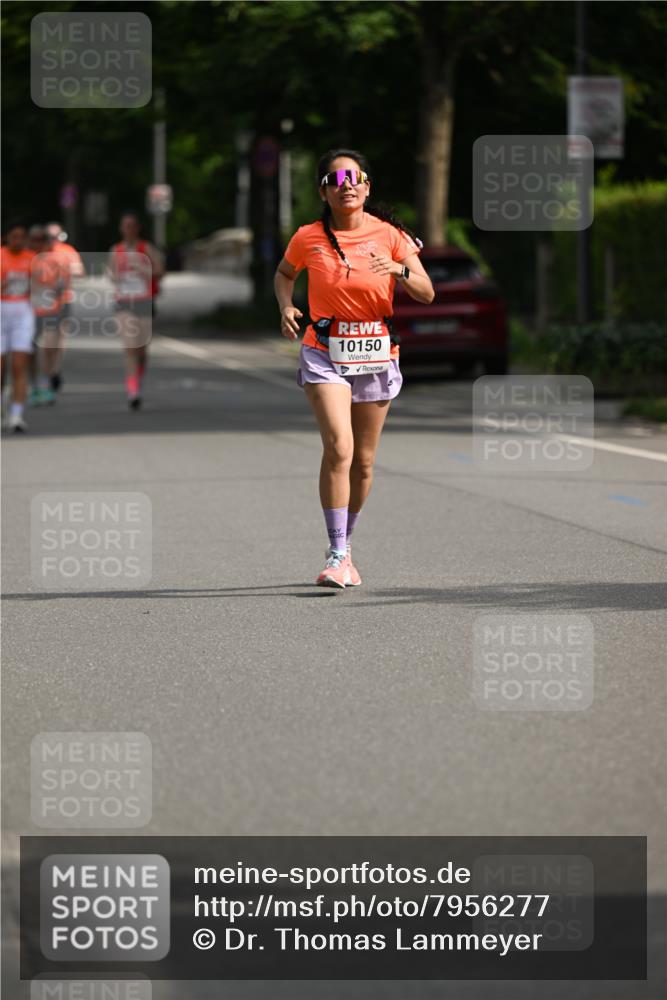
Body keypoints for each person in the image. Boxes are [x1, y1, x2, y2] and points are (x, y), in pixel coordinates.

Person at [274, 149, 434, 587]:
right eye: (335, 179)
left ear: (366, 186)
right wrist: (286, 305)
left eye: (354, 177)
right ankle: (336, 553)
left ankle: (347, 545)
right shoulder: (307, 237)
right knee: (339, 447)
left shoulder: (391, 235)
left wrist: (398, 269)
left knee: (363, 462)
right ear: (323, 191)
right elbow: (285, 274)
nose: (346, 185)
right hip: (323, 350)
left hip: (376, 353)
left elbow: (426, 292)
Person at [108, 213, 164, 410]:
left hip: (144, 302)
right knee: (130, 347)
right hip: (124, 302)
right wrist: (116, 275)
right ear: (121, 228)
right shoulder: (116, 250)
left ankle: (138, 378)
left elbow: (160, 272)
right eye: (125, 225)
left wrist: (143, 269)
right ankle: (133, 390)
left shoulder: (146, 248)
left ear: (138, 228)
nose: (128, 229)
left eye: (132, 225)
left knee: (142, 349)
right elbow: (111, 274)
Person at [1, 221, 36, 432]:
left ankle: (16, 415)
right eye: (14, 236)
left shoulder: (32, 258)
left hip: (22, 312)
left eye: (22, 237)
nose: (18, 241)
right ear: (7, 237)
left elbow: (40, 286)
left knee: (19, 366)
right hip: (1, 310)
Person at [43, 221, 85, 394]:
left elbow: (79, 271)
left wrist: (68, 270)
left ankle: (55, 370)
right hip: (45, 303)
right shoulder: (40, 252)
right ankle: (48, 374)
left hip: (64, 301)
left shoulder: (67, 250)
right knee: (48, 341)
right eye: (49, 236)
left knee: (59, 340)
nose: (53, 240)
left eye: (57, 236)